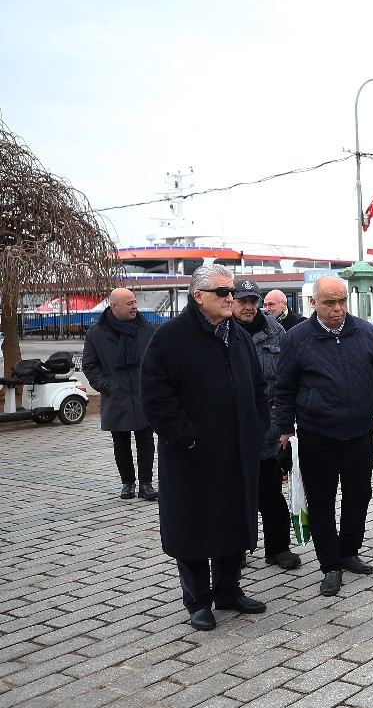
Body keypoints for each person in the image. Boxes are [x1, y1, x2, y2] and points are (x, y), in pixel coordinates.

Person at [140, 265, 270, 631]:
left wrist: (258, 425)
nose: (231, 298)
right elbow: (155, 398)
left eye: (232, 292)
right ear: (199, 296)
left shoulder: (237, 335)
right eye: (223, 292)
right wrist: (187, 436)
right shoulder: (170, 338)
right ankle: (197, 600)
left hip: (236, 451)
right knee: (193, 527)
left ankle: (228, 589)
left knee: (232, 520)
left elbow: (258, 386)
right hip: (193, 455)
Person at [273, 275, 373, 597]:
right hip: (316, 435)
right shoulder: (297, 339)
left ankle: (349, 551)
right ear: (314, 303)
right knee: (323, 502)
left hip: (359, 433)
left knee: (359, 496)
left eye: (342, 301)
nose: (338, 308)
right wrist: (285, 430)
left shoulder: (366, 332)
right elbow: (284, 388)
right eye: (329, 302)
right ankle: (329, 565)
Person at [232, 280, 301, 570]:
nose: (249, 306)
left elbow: (288, 381)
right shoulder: (222, 331)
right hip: (231, 427)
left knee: (271, 493)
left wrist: (284, 425)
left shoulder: (276, 331)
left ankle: (278, 548)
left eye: (253, 300)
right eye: (242, 300)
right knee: (233, 495)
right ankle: (234, 550)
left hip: (268, 427)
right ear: (232, 301)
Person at [83, 288, 158, 501]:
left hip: (143, 396)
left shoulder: (146, 329)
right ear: (114, 306)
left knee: (146, 441)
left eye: (135, 302)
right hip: (116, 397)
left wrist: (152, 384)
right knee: (121, 443)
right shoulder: (96, 334)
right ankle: (127, 484)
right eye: (129, 303)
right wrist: (106, 386)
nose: (135, 306)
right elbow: (90, 365)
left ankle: (146, 484)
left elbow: (157, 360)